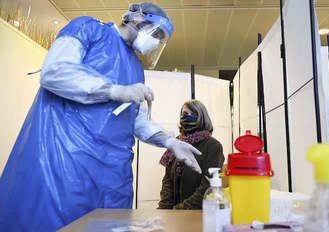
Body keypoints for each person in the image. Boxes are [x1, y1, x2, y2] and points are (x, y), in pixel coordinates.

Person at [0, 3, 202, 231]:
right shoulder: (88, 30)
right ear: (136, 19)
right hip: (67, 162)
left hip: (114, 176)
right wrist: (114, 90)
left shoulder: (136, 68)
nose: (155, 42)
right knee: (61, 224)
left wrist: (170, 142)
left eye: (160, 39)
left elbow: (135, 119)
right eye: (155, 33)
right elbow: (54, 72)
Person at [158, 100, 225, 210]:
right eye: (184, 114)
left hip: (200, 214)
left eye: (193, 114)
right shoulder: (176, 144)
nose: (187, 117)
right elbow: (167, 180)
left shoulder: (213, 146)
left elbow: (207, 186)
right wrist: (164, 209)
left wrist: (180, 210)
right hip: (175, 215)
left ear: (202, 117)